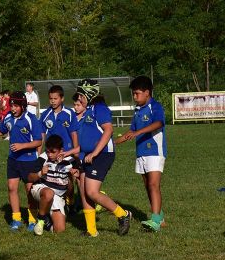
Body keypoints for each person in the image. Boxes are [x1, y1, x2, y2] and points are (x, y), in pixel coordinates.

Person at [70, 79, 132, 237]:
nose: (79, 97)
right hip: (88, 156)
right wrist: (71, 153)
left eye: (81, 94)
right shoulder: (88, 109)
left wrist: (95, 153)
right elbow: (86, 139)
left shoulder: (100, 108)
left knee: (91, 191)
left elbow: (108, 131)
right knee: (84, 191)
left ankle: (123, 214)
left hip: (102, 154)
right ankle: (91, 230)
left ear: (89, 94)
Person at [0, 91, 44, 231]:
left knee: (29, 191)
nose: (13, 108)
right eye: (11, 105)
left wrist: (23, 146)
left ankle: (32, 219)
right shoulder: (8, 117)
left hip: (29, 161)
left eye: (16, 106)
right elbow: (1, 131)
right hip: (13, 160)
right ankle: (16, 219)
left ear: (23, 105)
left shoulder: (31, 119)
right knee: (12, 188)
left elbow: (39, 141)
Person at [116, 76, 167, 232]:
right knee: (147, 186)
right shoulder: (137, 110)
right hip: (141, 153)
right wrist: (111, 143)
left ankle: (156, 221)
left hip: (155, 152)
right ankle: (160, 216)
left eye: (137, 93)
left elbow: (159, 123)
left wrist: (138, 132)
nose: (134, 96)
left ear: (147, 92)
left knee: (153, 185)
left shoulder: (155, 106)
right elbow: (131, 131)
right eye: (133, 93)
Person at [28, 135, 78, 235]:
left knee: (59, 230)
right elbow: (29, 177)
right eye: (48, 151)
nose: (49, 154)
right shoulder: (43, 158)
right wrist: (40, 173)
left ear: (61, 150)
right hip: (41, 189)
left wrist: (75, 173)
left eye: (53, 152)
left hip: (58, 196)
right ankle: (41, 219)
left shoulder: (70, 160)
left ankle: (47, 221)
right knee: (49, 193)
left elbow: (79, 174)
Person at [39, 85, 79, 154]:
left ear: (62, 98)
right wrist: (39, 153)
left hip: (67, 151)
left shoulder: (70, 113)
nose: (53, 101)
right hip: (51, 153)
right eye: (51, 99)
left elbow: (74, 134)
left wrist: (76, 153)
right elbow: (42, 136)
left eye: (55, 98)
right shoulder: (44, 115)